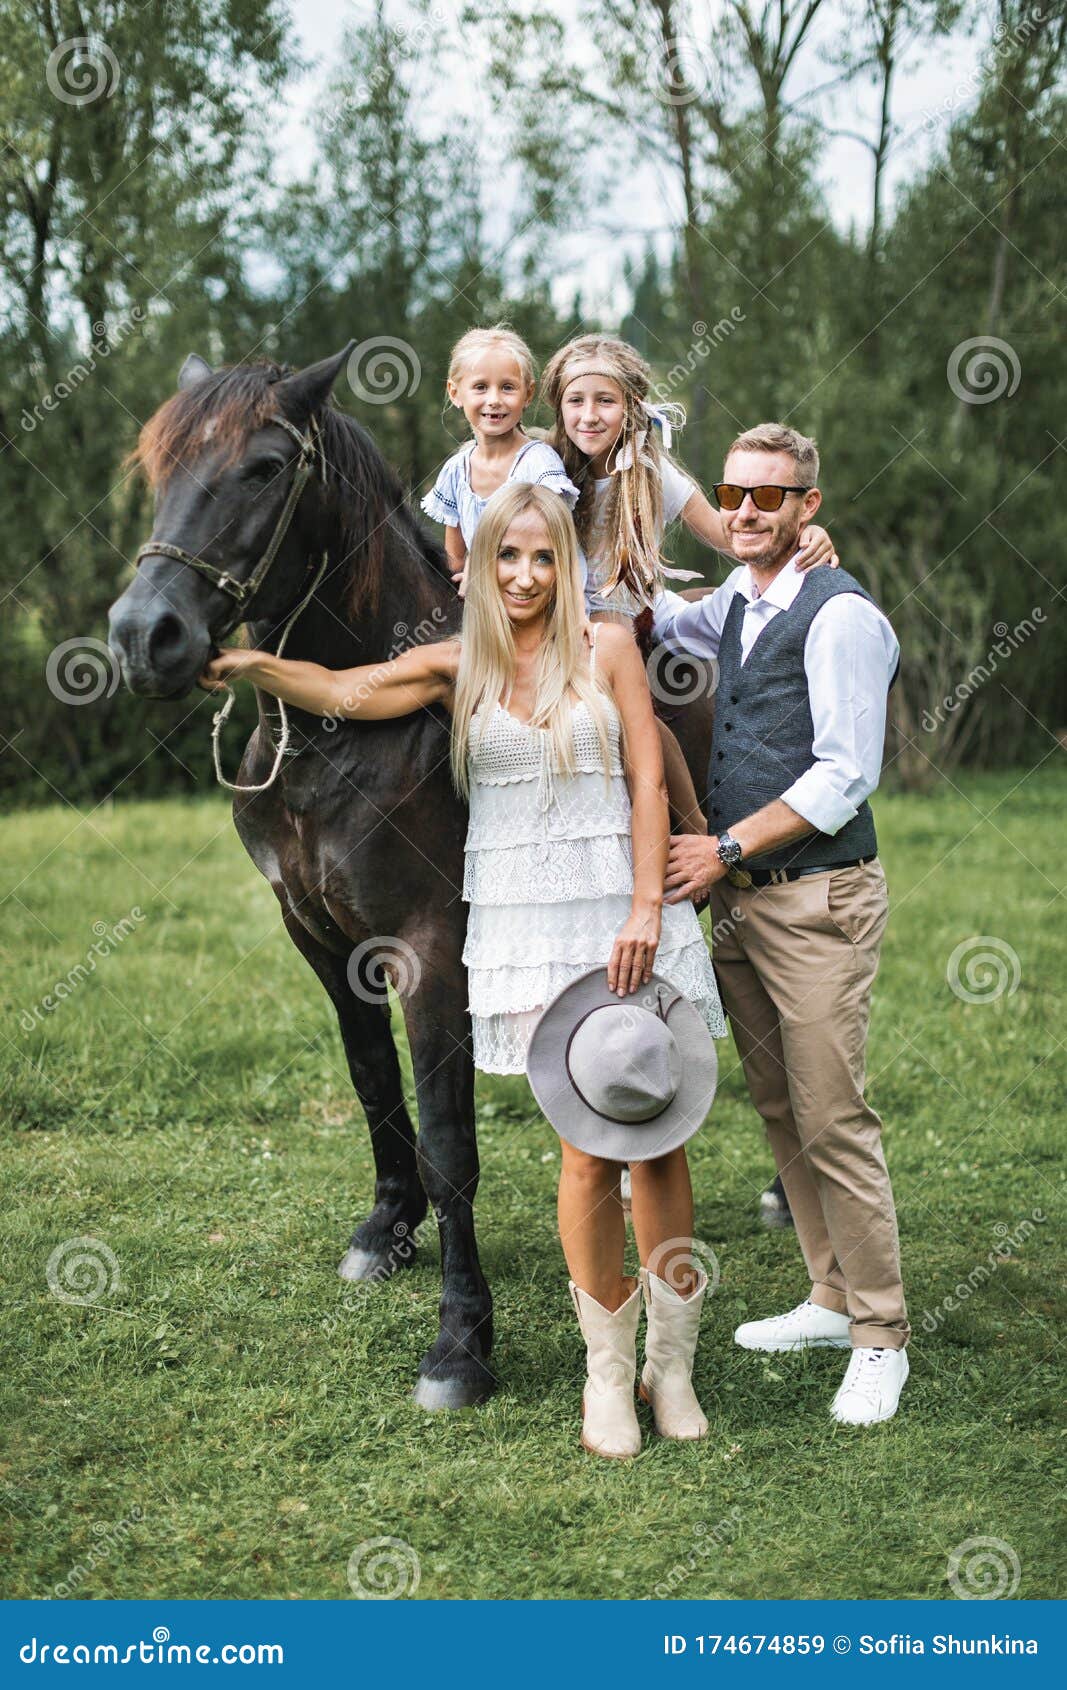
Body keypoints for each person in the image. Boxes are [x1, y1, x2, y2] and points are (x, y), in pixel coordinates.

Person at [199, 483, 727, 1460]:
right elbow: (341, 690)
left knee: (657, 1143)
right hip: (528, 927)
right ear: (481, 569)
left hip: (620, 918)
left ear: (563, 565)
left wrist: (649, 907)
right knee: (582, 1150)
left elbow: (650, 780)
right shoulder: (458, 664)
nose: (524, 576)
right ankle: (605, 1377)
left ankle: (674, 1366)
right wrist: (254, 665)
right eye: (505, 559)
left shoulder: (607, 648)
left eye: (541, 558)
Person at [652, 422, 910, 1426]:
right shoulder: (737, 598)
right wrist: (612, 465)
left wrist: (721, 848)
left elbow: (844, 774)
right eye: (735, 495)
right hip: (744, 908)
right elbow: (660, 619)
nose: (750, 510)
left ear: (809, 506)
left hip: (813, 899)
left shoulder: (840, 617)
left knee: (832, 1115)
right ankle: (826, 1293)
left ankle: (879, 1334)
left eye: (773, 496)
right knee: (777, 1109)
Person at [541, 334, 838, 832]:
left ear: (632, 407)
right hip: (563, 626)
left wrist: (806, 532)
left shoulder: (652, 474)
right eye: (577, 401)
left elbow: (730, 533)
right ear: (559, 405)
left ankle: (701, 829)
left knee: (649, 725)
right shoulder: (544, 466)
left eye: (605, 401)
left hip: (639, 618)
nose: (589, 415)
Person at [420, 325, 580, 595]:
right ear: (455, 392)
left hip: (532, 594)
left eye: (507, 387)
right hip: (482, 600)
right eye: (480, 387)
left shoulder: (538, 465)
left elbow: (552, 548)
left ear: (528, 394)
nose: (494, 400)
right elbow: (455, 559)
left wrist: (479, 564)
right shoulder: (456, 470)